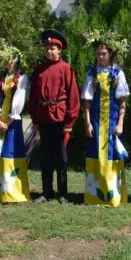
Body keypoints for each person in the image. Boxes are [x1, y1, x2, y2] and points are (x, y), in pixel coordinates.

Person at [29, 29, 81, 204]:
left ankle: (63, 193)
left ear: (60, 50)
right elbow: (34, 96)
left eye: (53, 48)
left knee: (61, 156)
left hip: (60, 118)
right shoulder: (39, 70)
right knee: (45, 156)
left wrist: (70, 121)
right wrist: (35, 119)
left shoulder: (66, 69)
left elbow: (73, 95)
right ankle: (46, 192)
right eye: (47, 48)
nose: (50, 51)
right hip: (44, 118)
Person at [80, 31, 130, 207]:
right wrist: (87, 122)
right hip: (95, 121)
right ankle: (95, 195)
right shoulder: (92, 73)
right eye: (98, 53)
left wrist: (120, 123)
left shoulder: (118, 73)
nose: (100, 56)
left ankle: (113, 194)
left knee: (112, 155)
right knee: (94, 153)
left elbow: (123, 101)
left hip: (112, 121)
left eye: (104, 53)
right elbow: (86, 100)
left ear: (111, 54)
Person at [0, 43, 31, 203]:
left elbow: (20, 98)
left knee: (11, 152)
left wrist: (10, 120)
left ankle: (11, 191)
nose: (8, 63)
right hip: (0, 120)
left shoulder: (22, 78)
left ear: (16, 60)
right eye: (5, 60)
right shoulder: (0, 78)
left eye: (10, 60)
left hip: (13, 121)